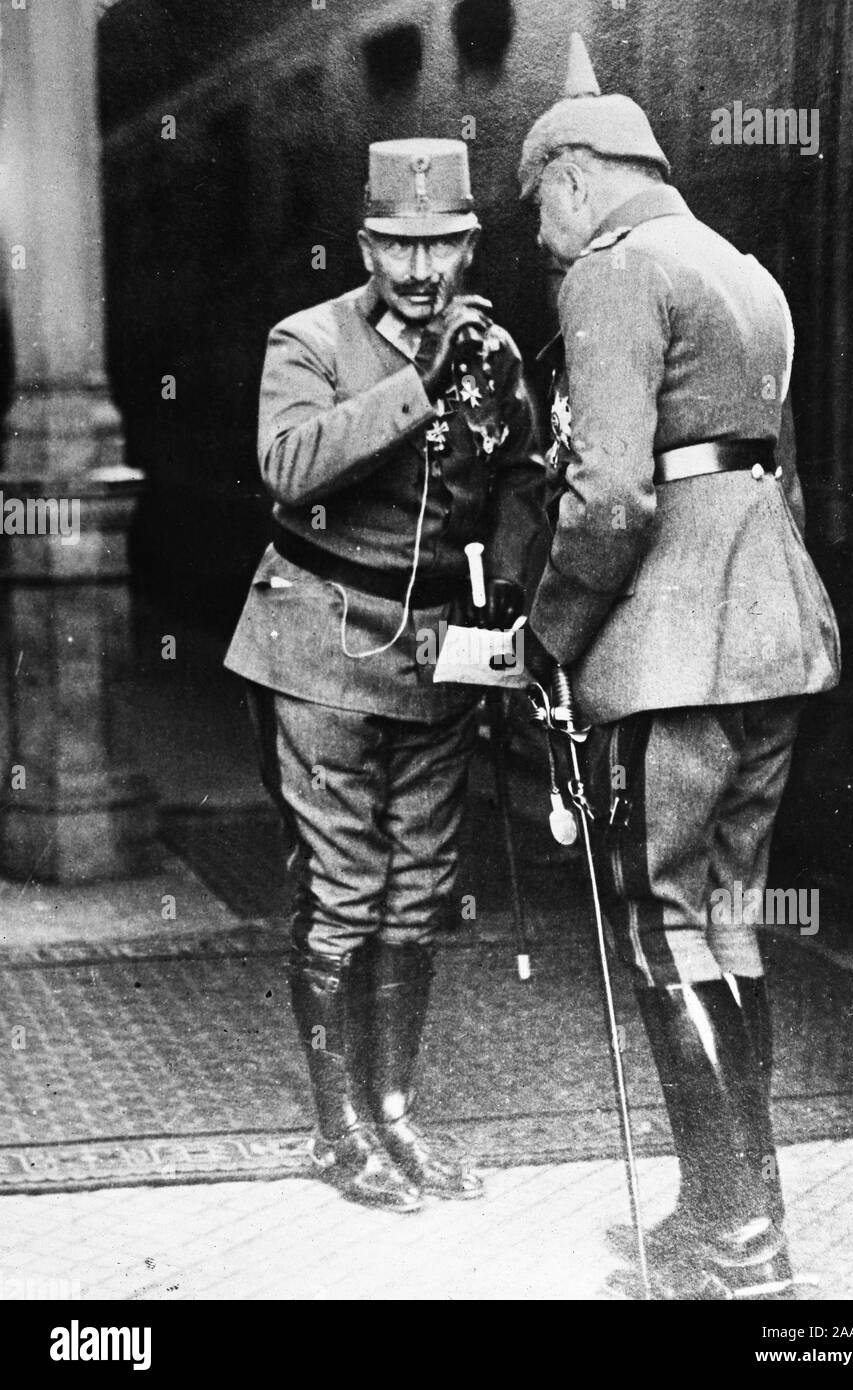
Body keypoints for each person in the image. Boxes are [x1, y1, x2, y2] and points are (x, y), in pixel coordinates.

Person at [518, 36, 841, 1297]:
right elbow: (791, 480)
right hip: (772, 640)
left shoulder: (612, 273)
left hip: (670, 655)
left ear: (581, 178)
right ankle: (732, 1222)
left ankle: (737, 1248)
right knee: (724, 926)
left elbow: (605, 499)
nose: (540, 239)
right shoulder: (748, 274)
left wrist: (547, 638)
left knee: (663, 932)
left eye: (539, 203)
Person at [226, 138, 544, 1213]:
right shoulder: (306, 340)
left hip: (435, 656)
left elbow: (520, 475)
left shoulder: (490, 348)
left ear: (467, 244)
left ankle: (396, 1111)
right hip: (318, 642)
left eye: (441, 246)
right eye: (399, 248)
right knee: (345, 887)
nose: (420, 270)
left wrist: (504, 581)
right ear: (366, 243)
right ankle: (338, 1128)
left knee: (419, 888)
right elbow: (290, 467)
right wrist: (417, 381)